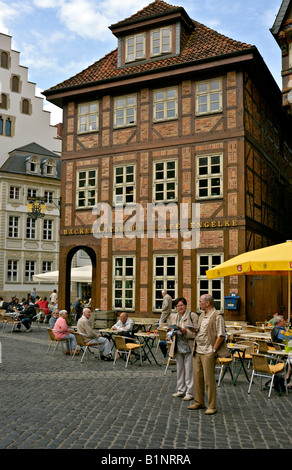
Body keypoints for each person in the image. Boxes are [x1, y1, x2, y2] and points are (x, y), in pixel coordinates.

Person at [188, 294, 229, 415]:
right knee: (197, 378)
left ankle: (212, 405)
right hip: (197, 350)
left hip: (208, 351)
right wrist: (195, 330)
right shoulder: (201, 315)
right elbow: (201, 330)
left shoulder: (217, 316)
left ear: (208, 303)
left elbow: (221, 335)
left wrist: (214, 350)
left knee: (208, 380)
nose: (199, 303)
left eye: (201, 301)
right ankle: (199, 401)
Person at [169, 297, 198, 401]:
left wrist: (186, 332)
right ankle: (181, 390)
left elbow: (197, 332)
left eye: (181, 305)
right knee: (180, 370)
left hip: (189, 346)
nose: (179, 307)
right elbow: (172, 329)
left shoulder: (192, 315)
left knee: (189, 370)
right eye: (177, 306)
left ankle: (190, 392)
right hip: (178, 346)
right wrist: (171, 331)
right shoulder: (174, 317)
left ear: (186, 306)